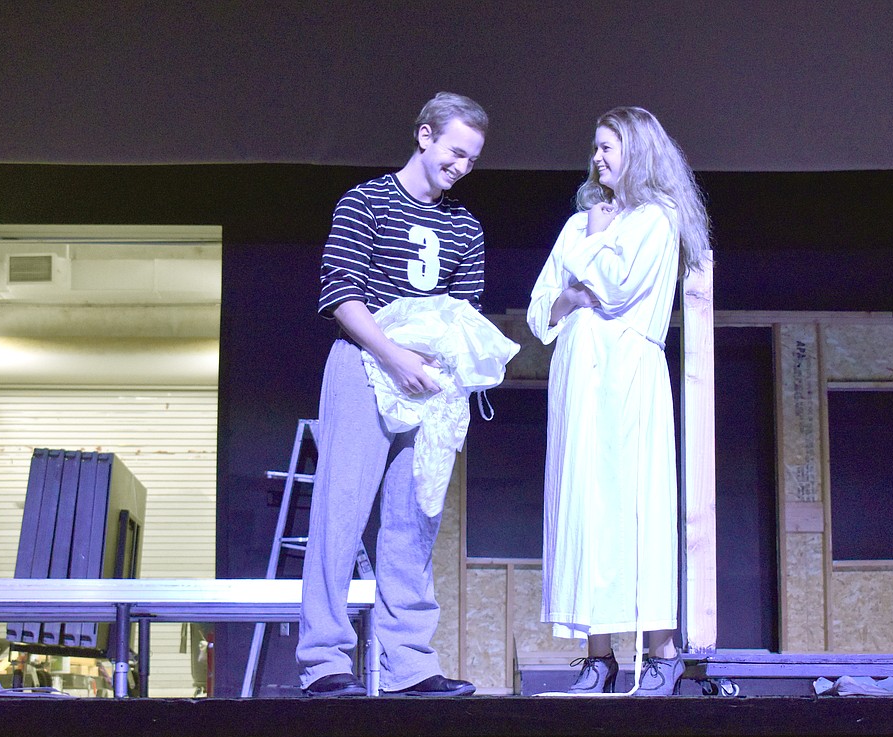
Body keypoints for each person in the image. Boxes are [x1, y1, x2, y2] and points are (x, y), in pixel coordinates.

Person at [297, 92, 488, 697]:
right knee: (341, 514)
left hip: (430, 382)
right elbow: (341, 295)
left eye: (473, 159)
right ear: (425, 135)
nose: (462, 167)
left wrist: (436, 366)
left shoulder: (465, 227)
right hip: (366, 364)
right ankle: (324, 663)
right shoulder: (367, 202)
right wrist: (393, 355)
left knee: (414, 520)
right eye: (456, 152)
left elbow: (467, 313)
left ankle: (409, 664)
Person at [527, 107, 711, 696]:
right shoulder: (581, 222)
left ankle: (661, 651)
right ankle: (598, 656)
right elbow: (541, 308)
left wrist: (590, 258)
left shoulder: (657, 219)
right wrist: (570, 295)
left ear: (638, 151)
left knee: (635, 507)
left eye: (610, 147)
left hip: (627, 375)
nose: (598, 157)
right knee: (584, 508)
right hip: (578, 375)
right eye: (596, 147)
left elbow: (614, 286)